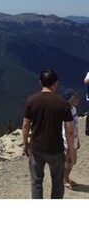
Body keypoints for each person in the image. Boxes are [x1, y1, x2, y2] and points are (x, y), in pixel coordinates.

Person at [22, 69, 75, 199]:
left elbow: (25, 125)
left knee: (36, 182)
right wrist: (71, 151)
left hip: (36, 147)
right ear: (55, 84)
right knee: (57, 182)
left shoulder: (31, 100)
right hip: (56, 148)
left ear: (40, 82)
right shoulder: (63, 103)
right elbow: (70, 130)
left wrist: (25, 144)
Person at [64, 92, 82, 189]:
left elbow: (75, 126)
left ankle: (66, 177)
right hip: (67, 141)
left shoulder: (74, 109)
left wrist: (77, 140)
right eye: (75, 98)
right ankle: (65, 179)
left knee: (73, 160)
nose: (77, 99)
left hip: (73, 139)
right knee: (68, 161)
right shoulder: (65, 111)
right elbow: (66, 129)